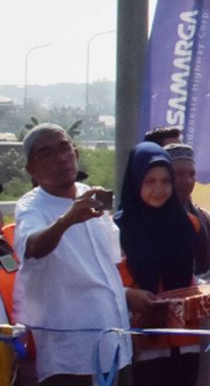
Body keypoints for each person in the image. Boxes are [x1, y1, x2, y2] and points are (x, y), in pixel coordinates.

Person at [14, 124, 132, 386]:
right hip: (71, 358)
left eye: (64, 147)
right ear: (31, 169)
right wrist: (67, 220)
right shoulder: (31, 206)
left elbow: (108, 264)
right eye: (46, 152)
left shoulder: (88, 194)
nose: (61, 157)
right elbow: (32, 248)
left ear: (75, 152)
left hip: (115, 344)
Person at [116, 142, 202, 383]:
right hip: (142, 340)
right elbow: (112, 280)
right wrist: (128, 294)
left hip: (186, 336)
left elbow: (191, 275)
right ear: (135, 181)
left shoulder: (188, 224)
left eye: (165, 181)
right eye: (149, 181)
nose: (159, 189)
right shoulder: (117, 229)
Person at [164, 144, 210, 283]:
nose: (187, 181)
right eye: (179, 173)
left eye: (191, 174)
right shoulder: (148, 220)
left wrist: (195, 289)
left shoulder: (204, 220)